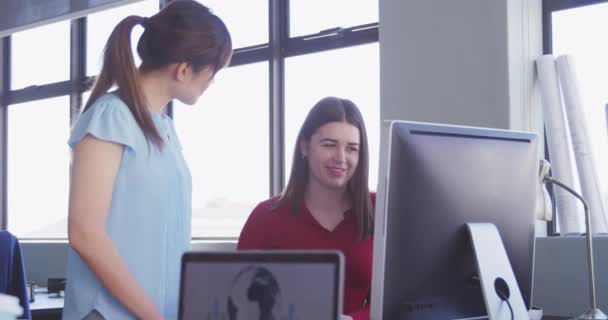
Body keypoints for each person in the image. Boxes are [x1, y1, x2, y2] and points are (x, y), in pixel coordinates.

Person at [63, 1, 232, 319]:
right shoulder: (111, 116)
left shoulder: (163, 129)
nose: (212, 82)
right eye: (212, 72)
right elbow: (85, 233)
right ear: (183, 69)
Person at [237, 97, 374, 320]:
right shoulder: (266, 217)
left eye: (351, 148)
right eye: (329, 145)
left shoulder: (378, 212)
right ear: (304, 147)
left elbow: (393, 301)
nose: (341, 158)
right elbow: (239, 297)